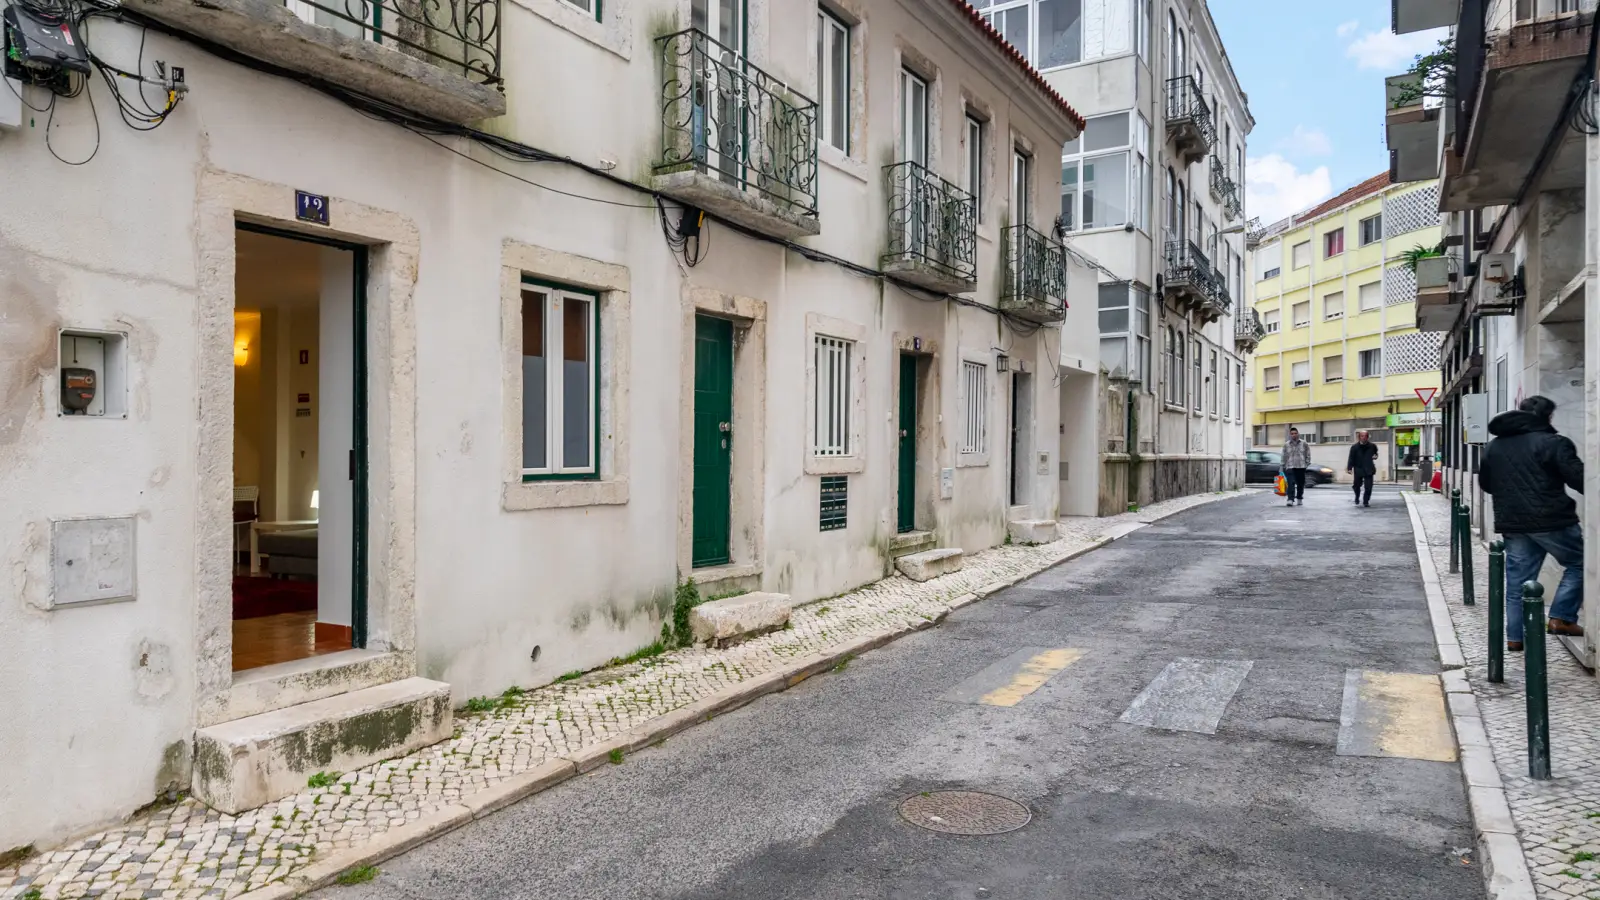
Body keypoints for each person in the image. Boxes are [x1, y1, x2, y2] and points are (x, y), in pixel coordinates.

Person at [1479, 396, 1585, 652]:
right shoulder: (1554, 443)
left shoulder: (1494, 446)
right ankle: (1561, 617)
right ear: (1548, 416)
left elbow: (1486, 484)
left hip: (1513, 523)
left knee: (1517, 584)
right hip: (1553, 520)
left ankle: (1515, 638)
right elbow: (1580, 479)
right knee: (1582, 563)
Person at [1347, 431, 1378, 507]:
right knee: (1356, 485)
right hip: (1358, 468)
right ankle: (1357, 496)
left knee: (1368, 487)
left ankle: (1366, 501)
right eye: (1362, 436)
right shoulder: (1354, 447)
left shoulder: (1372, 446)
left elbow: (1375, 454)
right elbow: (1351, 458)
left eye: (1365, 436)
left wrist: (1375, 456)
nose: (1363, 437)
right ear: (1359, 437)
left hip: (1369, 468)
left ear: (1367, 437)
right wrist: (1349, 468)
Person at [1281, 427, 1310, 507]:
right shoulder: (1286, 445)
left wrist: (1306, 464)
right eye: (1292, 434)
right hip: (1290, 466)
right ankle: (1290, 499)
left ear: (1298, 434)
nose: (1294, 435)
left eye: (1295, 433)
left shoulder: (1304, 443)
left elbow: (1308, 454)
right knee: (1290, 483)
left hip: (1301, 466)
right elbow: (1283, 456)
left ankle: (1299, 498)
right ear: (1290, 435)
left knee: (1300, 484)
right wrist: (1282, 466)